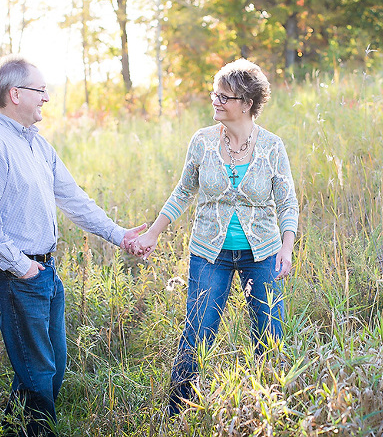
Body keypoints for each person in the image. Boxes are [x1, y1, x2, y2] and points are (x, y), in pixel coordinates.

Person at [0, 56, 145, 436]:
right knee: (38, 370)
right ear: (15, 94)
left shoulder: (38, 146)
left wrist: (120, 234)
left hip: (44, 271)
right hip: (12, 275)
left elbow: (74, 199)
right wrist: (22, 266)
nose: (46, 97)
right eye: (40, 89)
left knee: (51, 366)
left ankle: (15, 429)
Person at [128, 58, 299, 416]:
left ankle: (270, 410)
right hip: (209, 253)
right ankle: (177, 414)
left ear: (248, 103)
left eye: (225, 96)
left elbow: (287, 201)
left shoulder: (271, 146)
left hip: (264, 253)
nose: (216, 101)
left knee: (271, 337)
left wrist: (287, 247)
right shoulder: (203, 142)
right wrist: (154, 233)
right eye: (214, 94)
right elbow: (182, 192)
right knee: (197, 334)